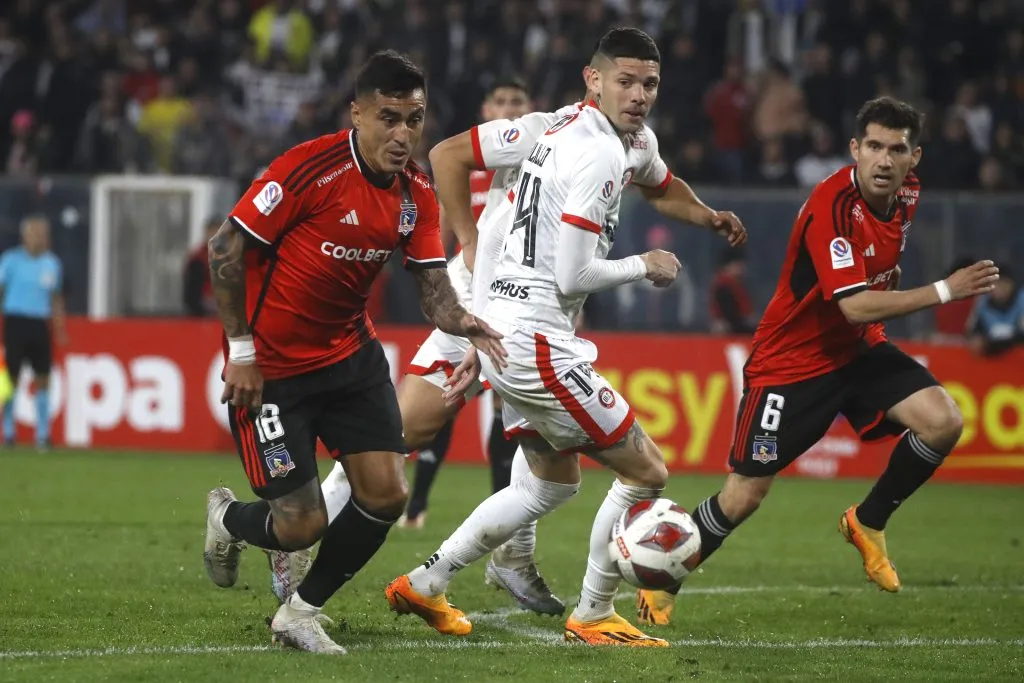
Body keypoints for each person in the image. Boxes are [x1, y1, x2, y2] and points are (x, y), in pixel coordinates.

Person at [384, 28, 746, 648]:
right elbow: (574, 275)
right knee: (647, 471)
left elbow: (661, 184)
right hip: (537, 343)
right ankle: (594, 611)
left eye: (650, 84)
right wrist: (645, 266)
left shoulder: (577, 133)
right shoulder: (598, 154)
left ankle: (426, 581)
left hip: (509, 332)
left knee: (553, 481)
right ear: (593, 80)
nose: (638, 95)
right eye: (625, 82)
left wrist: (707, 216)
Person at [635, 96, 1000, 627]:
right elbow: (853, 304)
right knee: (744, 495)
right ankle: (663, 581)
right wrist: (946, 290)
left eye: (897, 150)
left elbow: (872, 281)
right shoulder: (832, 206)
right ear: (854, 149)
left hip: (856, 347)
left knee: (943, 421)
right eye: (873, 146)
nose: (884, 160)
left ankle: (867, 521)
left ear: (914, 158)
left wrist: (887, 278)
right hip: (791, 363)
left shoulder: (908, 194)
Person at [201, 50, 504, 655]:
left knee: (387, 495)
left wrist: (464, 320)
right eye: (389, 118)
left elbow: (431, 284)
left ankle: (300, 613)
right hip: (273, 368)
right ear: (357, 114)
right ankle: (227, 520)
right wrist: (241, 351)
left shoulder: (416, 193)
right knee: (300, 526)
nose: (403, 135)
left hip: (349, 358)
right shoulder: (307, 169)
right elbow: (224, 249)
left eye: (414, 120)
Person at [400, 76, 534, 529]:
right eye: (501, 101)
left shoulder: (539, 164)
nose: (510, 109)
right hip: (468, 297)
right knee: (443, 402)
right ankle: (416, 505)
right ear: (486, 110)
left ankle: (502, 521)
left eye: (518, 101)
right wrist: (436, 292)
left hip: (517, 300)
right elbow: (438, 240)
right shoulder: (465, 166)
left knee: (508, 409)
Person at [0, 215, 67, 450]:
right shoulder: (10, 261)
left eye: (42, 234)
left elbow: (56, 297)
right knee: (11, 378)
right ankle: (8, 432)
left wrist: (59, 327)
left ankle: (42, 434)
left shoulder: (52, 264)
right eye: (34, 233)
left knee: (43, 378)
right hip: (15, 322)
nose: (38, 238)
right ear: (24, 236)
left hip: (40, 324)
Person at [966, 265, 1023, 356]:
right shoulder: (983, 302)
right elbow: (972, 330)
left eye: (1003, 284)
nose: (999, 288)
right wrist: (976, 338)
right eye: (996, 284)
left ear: (1011, 285)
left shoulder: (1021, 300)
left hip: (1017, 355)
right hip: (990, 355)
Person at [182, 217, 220, 317]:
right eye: (212, 232)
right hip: (202, 310)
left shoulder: (230, 258)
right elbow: (191, 292)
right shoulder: (198, 258)